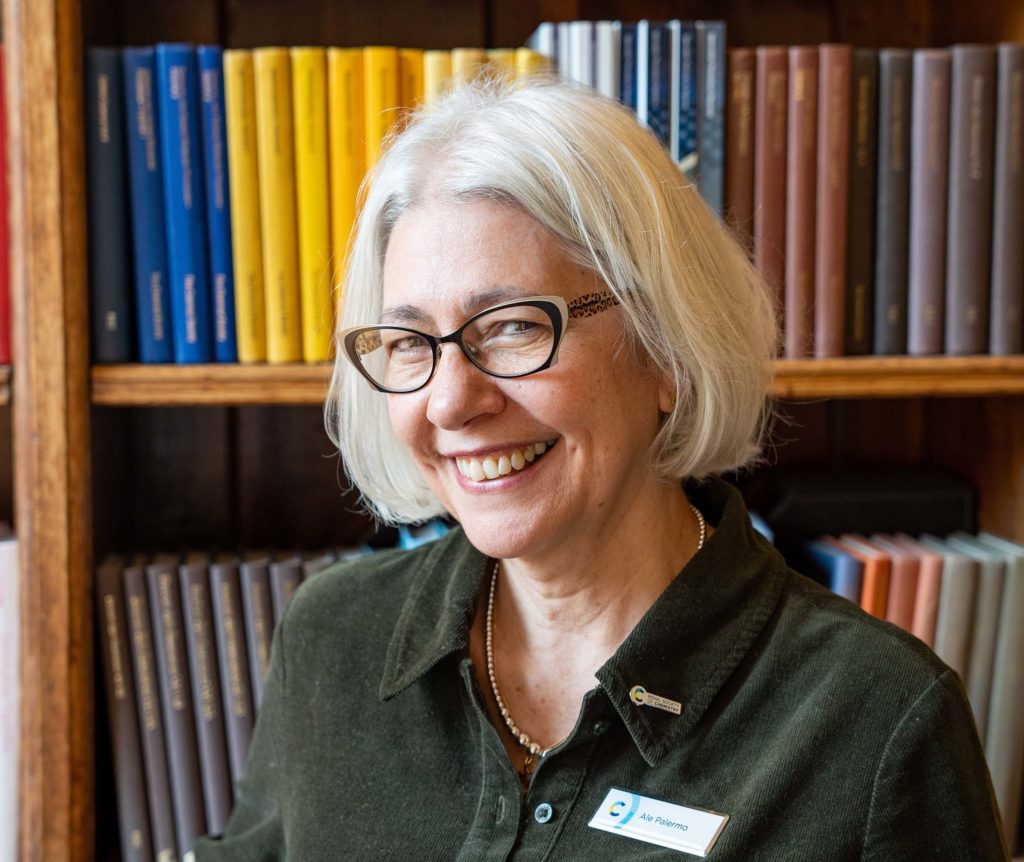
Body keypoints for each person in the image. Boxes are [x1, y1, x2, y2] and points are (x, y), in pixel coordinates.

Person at [194, 78, 1009, 860]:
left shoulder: (879, 723)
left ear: (665, 346)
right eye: (410, 343)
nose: (450, 401)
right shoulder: (335, 636)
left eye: (511, 327)